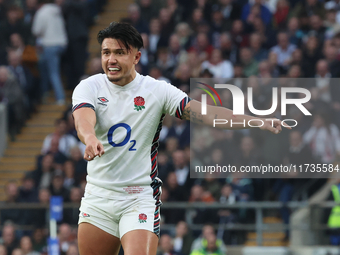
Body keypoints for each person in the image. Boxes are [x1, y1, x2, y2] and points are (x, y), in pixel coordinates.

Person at [72, 22, 288, 255]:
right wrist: (90, 137)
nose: (111, 59)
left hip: (138, 198)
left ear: (136, 56)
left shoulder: (157, 91)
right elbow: (83, 119)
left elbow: (208, 114)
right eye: (106, 53)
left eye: (119, 52)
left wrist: (255, 120)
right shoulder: (89, 86)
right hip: (99, 195)